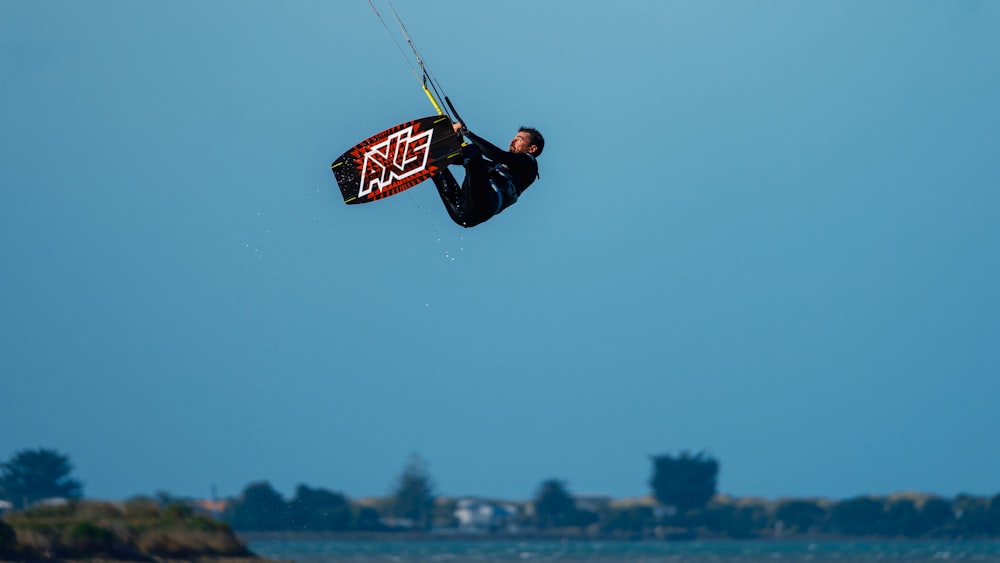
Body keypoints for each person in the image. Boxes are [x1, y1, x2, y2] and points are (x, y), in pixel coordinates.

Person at [431, 122, 544, 228]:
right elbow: (462, 160)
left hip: (483, 205)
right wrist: (457, 141)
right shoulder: (499, 167)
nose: (512, 142)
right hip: (462, 214)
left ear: (532, 149)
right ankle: (426, 156)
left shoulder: (529, 164)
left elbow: (496, 155)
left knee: (473, 151)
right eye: (513, 138)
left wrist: (467, 133)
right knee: (436, 165)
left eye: (518, 139)